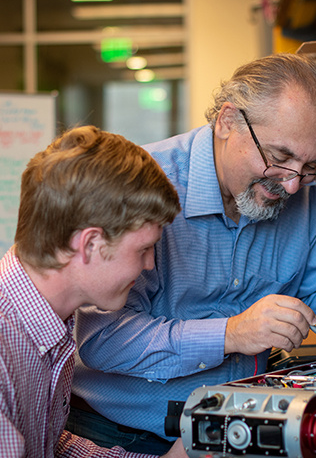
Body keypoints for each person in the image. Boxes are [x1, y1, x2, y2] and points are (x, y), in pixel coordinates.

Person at [69, 54, 316, 454]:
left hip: (234, 429)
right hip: (122, 436)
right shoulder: (142, 187)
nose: (290, 186)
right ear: (227, 121)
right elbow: (104, 340)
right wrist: (232, 333)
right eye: (279, 157)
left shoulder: (298, 187)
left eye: (309, 166)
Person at [0, 125, 187, 458]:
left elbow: (50, 444)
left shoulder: (46, 321)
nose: (148, 264)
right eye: (143, 249)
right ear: (89, 244)